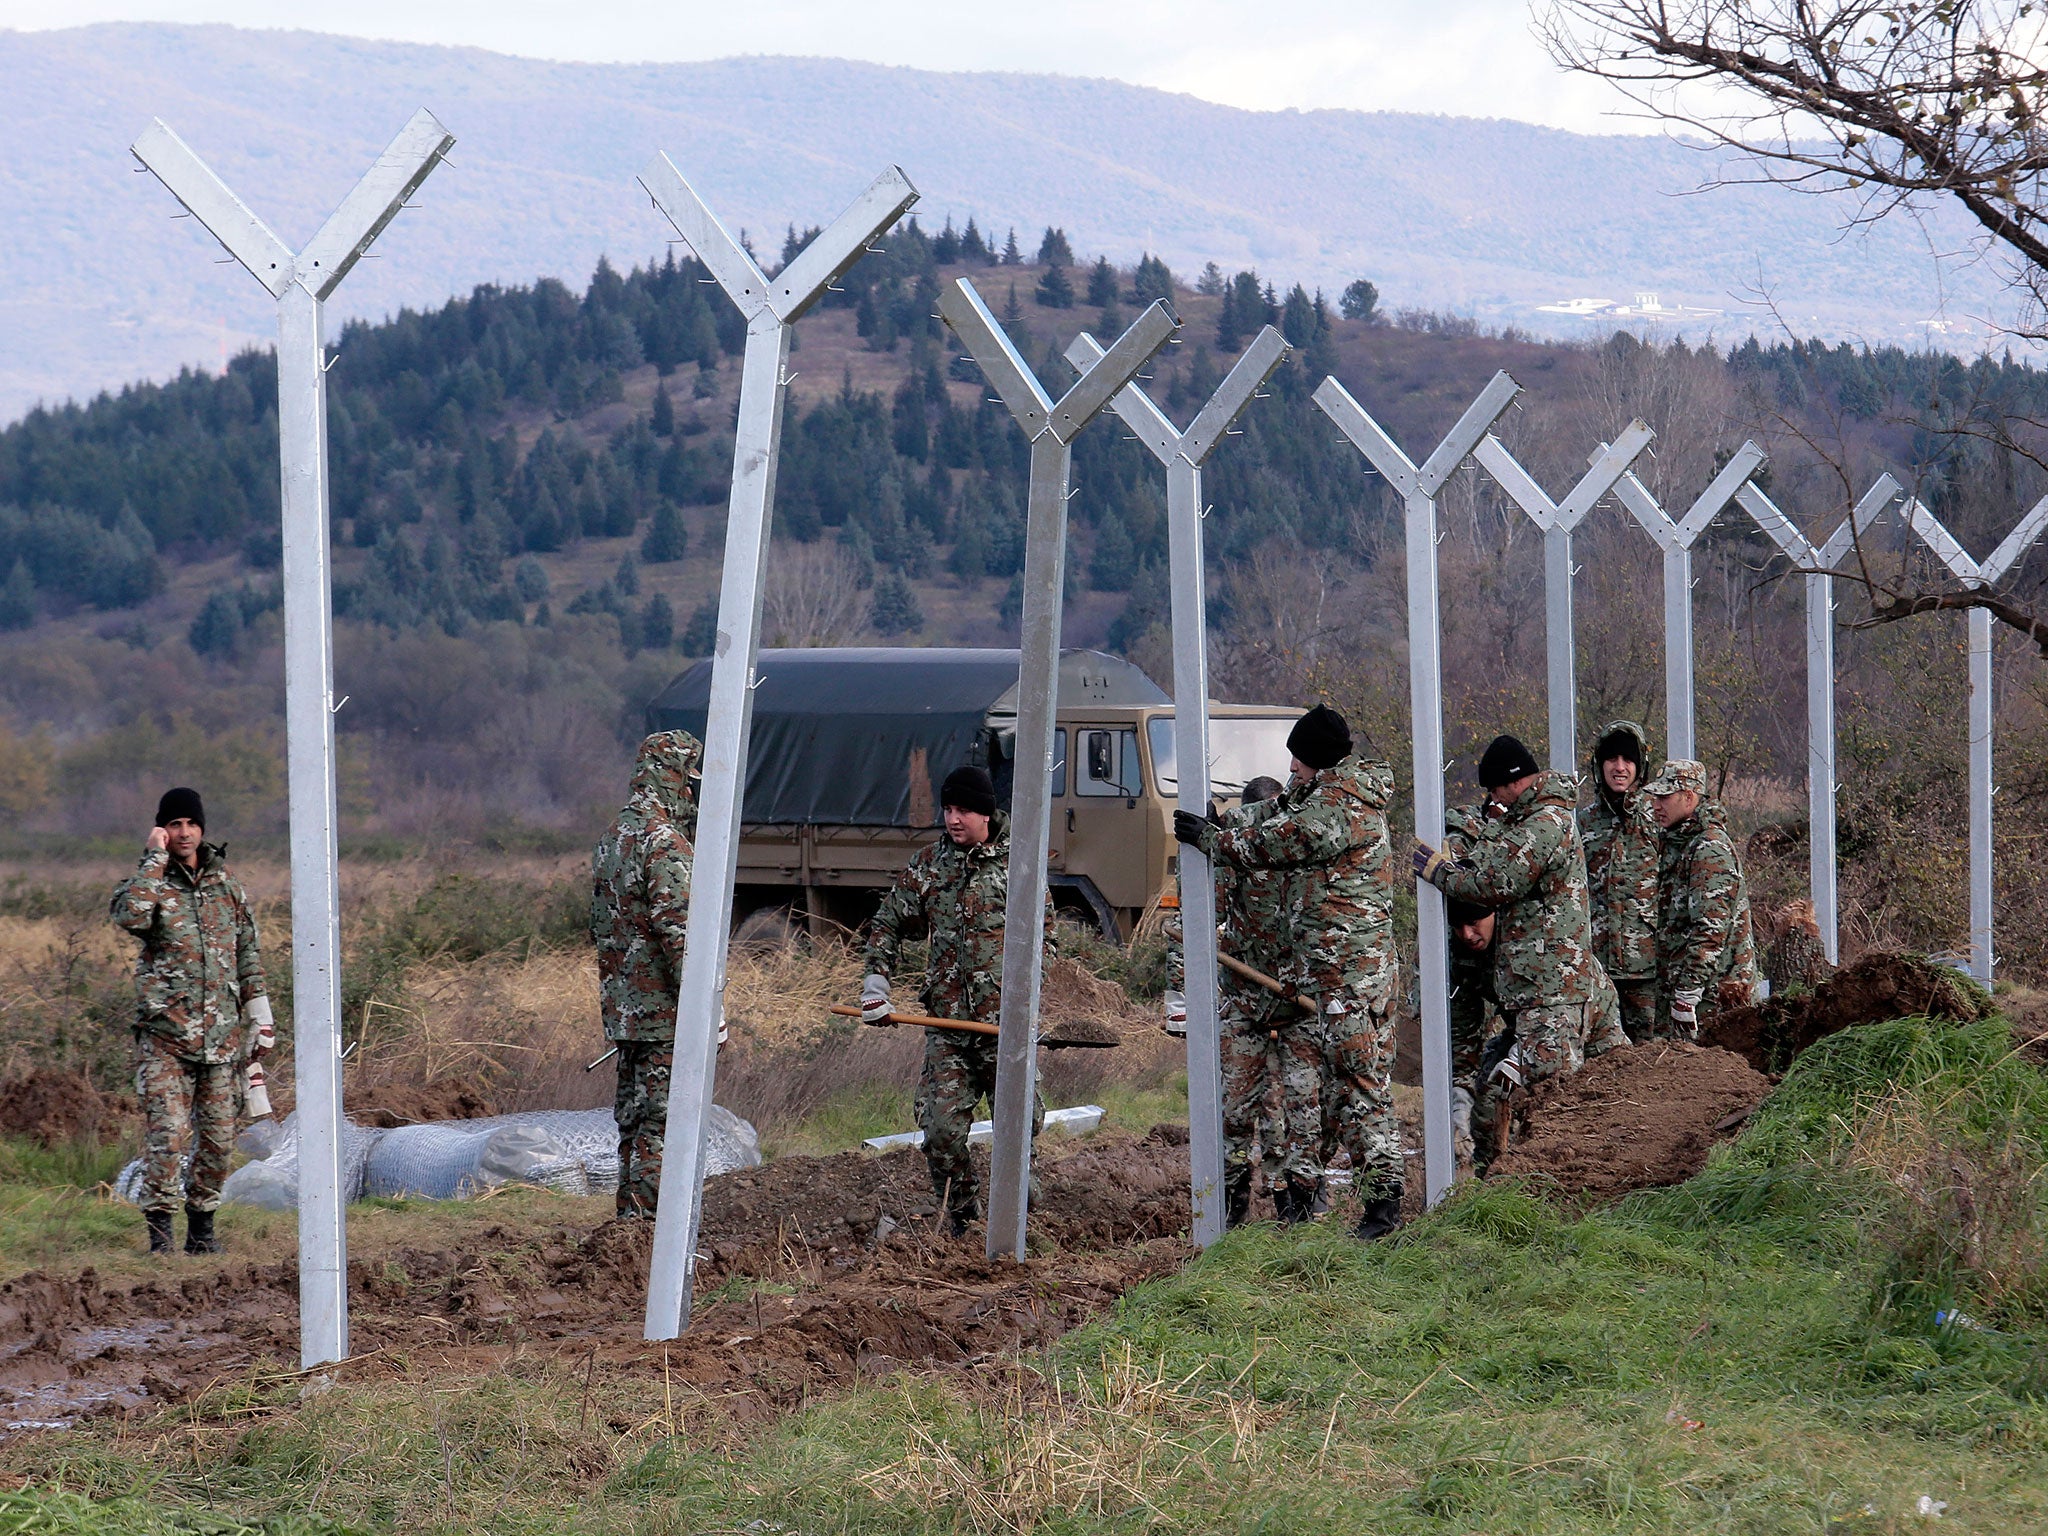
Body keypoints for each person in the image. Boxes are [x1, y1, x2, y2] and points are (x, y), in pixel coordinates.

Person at [1176, 704, 1405, 1240]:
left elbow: (1280, 842)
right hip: (1330, 977)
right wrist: (1223, 819)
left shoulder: (1341, 809)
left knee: (1359, 1088)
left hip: (1354, 977)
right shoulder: (1320, 793)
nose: (1292, 768)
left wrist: (1213, 841)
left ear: (1317, 759)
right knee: (1338, 1091)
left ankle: (1383, 1211)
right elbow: (1273, 812)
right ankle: (1347, 1206)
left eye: (1298, 759)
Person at [861, 764, 1053, 1237]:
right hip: (948, 1027)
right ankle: (965, 1222)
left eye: (963, 810)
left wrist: (1028, 1001)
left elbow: (1044, 939)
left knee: (1020, 1126)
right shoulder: (930, 866)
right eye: (948, 809)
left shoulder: (1019, 864)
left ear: (986, 813)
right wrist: (876, 987)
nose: (953, 818)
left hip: (1004, 1027)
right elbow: (887, 923)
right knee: (942, 1134)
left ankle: (1018, 1204)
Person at [1414, 734, 1600, 1169]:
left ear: (1512, 782)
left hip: (1548, 989)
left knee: (1554, 1099)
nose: (1493, 799)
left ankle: (1563, 1191)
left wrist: (1439, 872)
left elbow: (1495, 883)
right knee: (1536, 1095)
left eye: (1495, 789)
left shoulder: (1545, 823)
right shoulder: (1535, 820)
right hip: (1537, 988)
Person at [110, 788, 270, 1256]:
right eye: (174, 825)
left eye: (190, 824)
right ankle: (160, 1236)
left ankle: (202, 1233)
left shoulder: (226, 886)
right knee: (168, 1136)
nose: (184, 833)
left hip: (221, 1039)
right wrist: (152, 860)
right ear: (163, 830)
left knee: (219, 1139)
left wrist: (260, 1015)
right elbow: (130, 915)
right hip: (166, 1037)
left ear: (203, 829)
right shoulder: (152, 882)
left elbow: (248, 952)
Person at [1165, 774, 1301, 1227]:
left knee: (1288, 1121)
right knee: (1235, 1115)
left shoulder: (1299, 851)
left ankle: (1294, 1215)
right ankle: (1229, 1216)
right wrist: (1180, 995)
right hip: (1246, 1005)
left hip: (1298, 1006)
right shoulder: (1233, 860)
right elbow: (1198, 921)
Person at [591, 730, 702, 1218]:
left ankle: (627, 1228)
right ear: (673, 777)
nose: (693, 793)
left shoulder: (614, 836)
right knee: (662, 1123)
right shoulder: (663, 841)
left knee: (633, 1123)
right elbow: (679, 934)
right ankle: (651, 1237)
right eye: (689, 780)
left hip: (624, 1013)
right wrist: (707, 1009)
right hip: (665, 1015)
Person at [1645, 760, 1761, 1038]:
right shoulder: (1681, 843)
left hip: (1714, 998)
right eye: (1655, 797)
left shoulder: (1709, 848)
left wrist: (1688, 991)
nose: (1655, 805)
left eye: (1664, 797)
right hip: (1695, 992)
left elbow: (1711, 928)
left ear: (1688, 798)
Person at [1582, 720, 1662, 1043]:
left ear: (1639, 767)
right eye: (1612, 759)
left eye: (1628, 760)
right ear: (1599, 765)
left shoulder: (1657, 817)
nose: (1619, 767)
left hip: (1647, 970)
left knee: (1651, 1060)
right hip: (1597, 969)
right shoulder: (1583, 822)